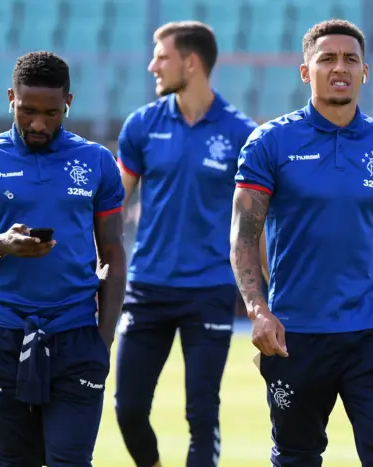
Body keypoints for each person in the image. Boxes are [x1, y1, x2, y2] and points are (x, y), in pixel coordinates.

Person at [230, 20, 373, 467]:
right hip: (296, 336)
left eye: (350, 59)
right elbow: (242, 237)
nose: (340, 67)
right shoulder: (270, 142)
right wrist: (259, 312)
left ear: (365, 71)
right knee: (296, 458)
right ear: (304, 71)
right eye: (327, 58)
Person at [0, 51, 127, 467]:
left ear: (69, 103)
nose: (39, 123)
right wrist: (0, 245)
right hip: (6, 336)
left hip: (78, 335)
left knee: (70, 461)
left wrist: (104, 338)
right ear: (11, 98)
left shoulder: (96, 161)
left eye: (51, 112)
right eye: (27, 111)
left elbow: (114, 252)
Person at [114, 21, 259, 467]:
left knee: (201, 414)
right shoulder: (141, 125)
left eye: (161, 55)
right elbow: (114, 206)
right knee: (129, 409)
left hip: (210, 291)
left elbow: (255, 225)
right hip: (147, 289)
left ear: (190, 63)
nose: (152, 65)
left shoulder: (241, 134)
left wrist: (264, 300)